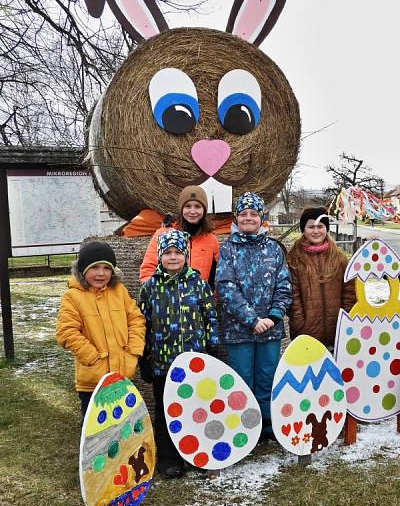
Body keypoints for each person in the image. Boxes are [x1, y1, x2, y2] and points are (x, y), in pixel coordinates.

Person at [138, 229, 218, 478]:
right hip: (163, 364)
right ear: (160, 256)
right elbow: (142, 324)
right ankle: (169, 459)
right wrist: (145, 358)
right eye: (168, 253)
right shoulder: (150, 288)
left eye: (178, 253)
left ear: (186, 255)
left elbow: (210, 317)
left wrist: (212, 347)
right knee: (165, 413)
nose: (173, 257)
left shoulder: (199, 284)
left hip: (194, 363)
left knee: (195, 409)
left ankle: (196, 454)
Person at [215, 192, 291, 438]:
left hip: (270, 329)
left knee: (266, 378)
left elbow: (284, 286)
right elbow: (226, 287)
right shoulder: (227, 249)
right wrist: (252, 319)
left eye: (254, 214)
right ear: (237, 218)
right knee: (242, 380)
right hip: (239, 331)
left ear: (261, 218)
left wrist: (273, 316)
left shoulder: (274, 249)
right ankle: (245, 428)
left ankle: (267, 426)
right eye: (244, 214)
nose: (249, 218)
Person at [56, 241, 146, 422]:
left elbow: (136, 319)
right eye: (95, 267)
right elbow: (66, 331)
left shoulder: (119, 291)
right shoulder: (73, 296)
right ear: (82, 270)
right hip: (93, 381)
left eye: (106, 268)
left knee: (122, 427)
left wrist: (133, 351)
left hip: (122, 377)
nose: (101, 273)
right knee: (96, 430)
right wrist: (92, 357)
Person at [286, 207, 356, 350]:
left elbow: (349, 292)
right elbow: (293, 295)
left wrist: (347, 320)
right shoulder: (294, 259)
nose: (316, 231)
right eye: (311, 226)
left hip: (338, 331)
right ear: (303, 229)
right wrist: (300, 325)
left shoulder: (339, 258)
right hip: (306, 334)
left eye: (320, 226)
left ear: (327, 228)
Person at [139, 185, 219, 284]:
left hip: (199, 296)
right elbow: (147, 269)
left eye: (197, 206)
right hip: (166, 295)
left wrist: (210, 297)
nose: (192, 211)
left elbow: (219, 275)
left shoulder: (211, 240)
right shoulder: (163, 234)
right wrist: (156, 293)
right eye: (188, 206)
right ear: (181, 209)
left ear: (204, 210)